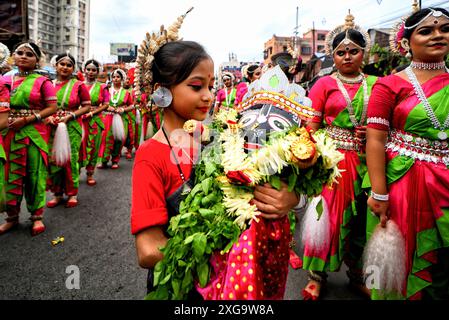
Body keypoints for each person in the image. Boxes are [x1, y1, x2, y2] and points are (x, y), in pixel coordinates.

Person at [366, 7, 449, 300]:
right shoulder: (389, 85)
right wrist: (379, 193)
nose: (438, 35)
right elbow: (375, 140)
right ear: (406, 42)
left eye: (444, 29)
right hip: (404, 184)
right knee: (404, 262)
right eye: (426, 31)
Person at [301, 11, 377, 300]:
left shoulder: (376, 84)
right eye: (341, 52)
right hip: (333, 162)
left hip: (369, 162)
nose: (347, 56)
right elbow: (311, 126)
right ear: (333, 55)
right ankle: (316, 275)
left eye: (353, 51)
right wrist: (313, 153)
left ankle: (358, 274)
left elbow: (386, 123)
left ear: (363, 53)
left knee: (363, 221)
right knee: (327, 219)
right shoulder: (323, 84)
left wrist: (371, 133)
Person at [0, 41, 57, 236]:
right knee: (10, 175)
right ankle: (12, 217)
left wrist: (27, 120)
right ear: (13, 56)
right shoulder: (5, 80)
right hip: (9, 133)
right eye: (19, 52)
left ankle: (37, 216)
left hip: (34, 132)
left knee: (35, 175)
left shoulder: (43, 82)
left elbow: (51, 108)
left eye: (29, 54)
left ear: (37, 60)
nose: (23, 56)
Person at [46, 53, 91, 208]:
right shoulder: (48, 84)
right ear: (55, 65)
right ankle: (57, 193)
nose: (65, 67)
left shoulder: (78, 85)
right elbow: (42, 106)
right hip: (50, 126)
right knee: (54, 160)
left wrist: (71, 116)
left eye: (68, 65)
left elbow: (87, 106)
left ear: (73, 68)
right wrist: (49, 118)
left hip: (71, 126)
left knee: (69, 159)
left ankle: (72, 193)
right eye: (62, 64)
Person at [79, 59, 110, 186]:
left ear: (97, 72)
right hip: (80, 119)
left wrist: (92, 112)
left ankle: (90, 173)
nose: (90, 72)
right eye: (88, 69)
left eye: (93, 70)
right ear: (84, 70)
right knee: (79, 147)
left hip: (96, 120)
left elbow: (106, 104)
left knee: (93, 146)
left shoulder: (102, 87)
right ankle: (75, 172)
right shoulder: (78, 85)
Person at [98, 68, 133, 169]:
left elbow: (132, 106)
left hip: (121, 118)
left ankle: (115, 160)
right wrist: (107, 107)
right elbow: (101, 103)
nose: (115, 79)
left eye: (118, 77)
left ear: (122, 79)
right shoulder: (107, 90)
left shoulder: (126, 93)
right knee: (105, 138)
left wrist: (123, 109)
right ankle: (103, 161)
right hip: (108, 117)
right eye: (113, 77)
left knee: (119, 140)